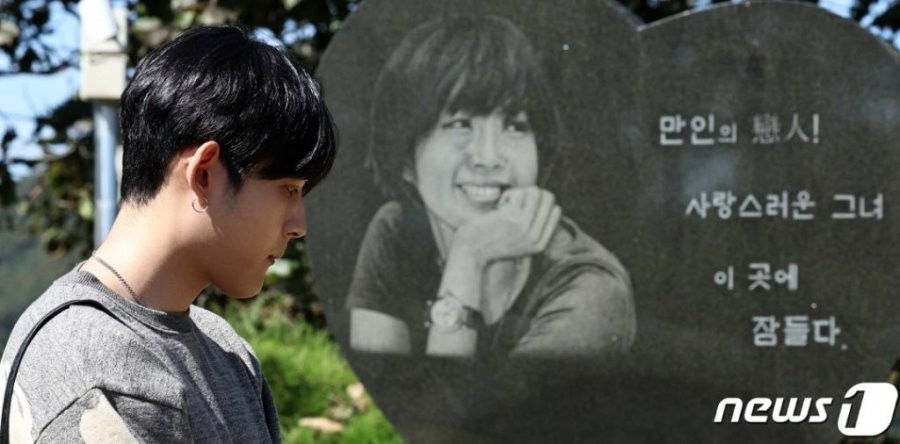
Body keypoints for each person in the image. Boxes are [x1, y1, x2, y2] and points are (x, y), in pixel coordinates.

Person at [0, 26, 335, 442]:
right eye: (288, 189)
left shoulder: (226, 350)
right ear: (204, 173)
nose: (298, 224)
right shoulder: (91, 366)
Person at [346, 16, 635, 359]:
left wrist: (469, 256)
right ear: (405, 158)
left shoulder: (591, 289)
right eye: (458, 123)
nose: (487, 157)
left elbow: (473, 414)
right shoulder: (395, 231)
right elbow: (385, 387)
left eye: (515, 126)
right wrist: (468, 261)